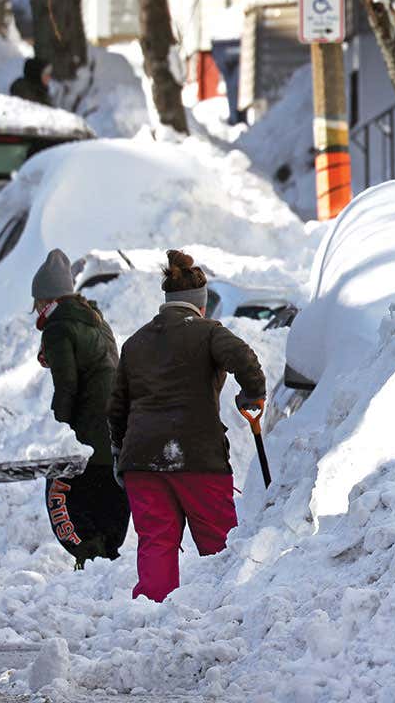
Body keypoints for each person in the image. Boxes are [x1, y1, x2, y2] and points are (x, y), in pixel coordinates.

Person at [107, 250, 265, 602]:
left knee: (156, 542)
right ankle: (226, 609)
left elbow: (117, 407)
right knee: (219, 542)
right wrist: (252, 396)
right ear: (200, 304)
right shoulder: (208, 332)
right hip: (197, 457)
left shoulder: (135, 342)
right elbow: (245, 358)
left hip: (143, 460)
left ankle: (152, 614)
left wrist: (119, 450)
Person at [31, 248, 130, 569]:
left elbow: (68, 386)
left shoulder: (58, 327)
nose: (35, 309)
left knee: (60, 491)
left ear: (47, 300)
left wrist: (58, 432)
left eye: (37, 302)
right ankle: (106, 563)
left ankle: (88, 556)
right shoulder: (97, 323)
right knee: (108, 497)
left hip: (87, 436)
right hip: (118, 433)